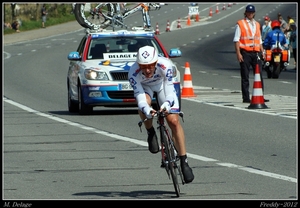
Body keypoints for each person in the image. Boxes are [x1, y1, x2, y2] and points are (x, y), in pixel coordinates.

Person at [128, 45, 194, 184]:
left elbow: (170, 92)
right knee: (144, 104)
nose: (146, 70)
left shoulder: (166, 65)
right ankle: (150, 131)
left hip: (164, 86)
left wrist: (167, 104)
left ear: (156, 62)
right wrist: (147, 110)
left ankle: (184, 161)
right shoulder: (133, 72)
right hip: (146, 89)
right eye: (143, 66)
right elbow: (140, 97)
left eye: (150, 66)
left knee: (174, 121)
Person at [233, 4, 269, 103]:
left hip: (256, 52)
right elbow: (236, 40)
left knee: (259, 75)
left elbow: (259, 40)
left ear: (254, 13)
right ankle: (246, 97)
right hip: (245, 53)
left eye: (252, 12)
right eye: (249, 12)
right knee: (245, 76)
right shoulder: (240, 24)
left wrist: (262, 52)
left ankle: (260, 95)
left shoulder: (257, 24)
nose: (250, 14)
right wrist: (238, 53)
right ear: (246, 13)